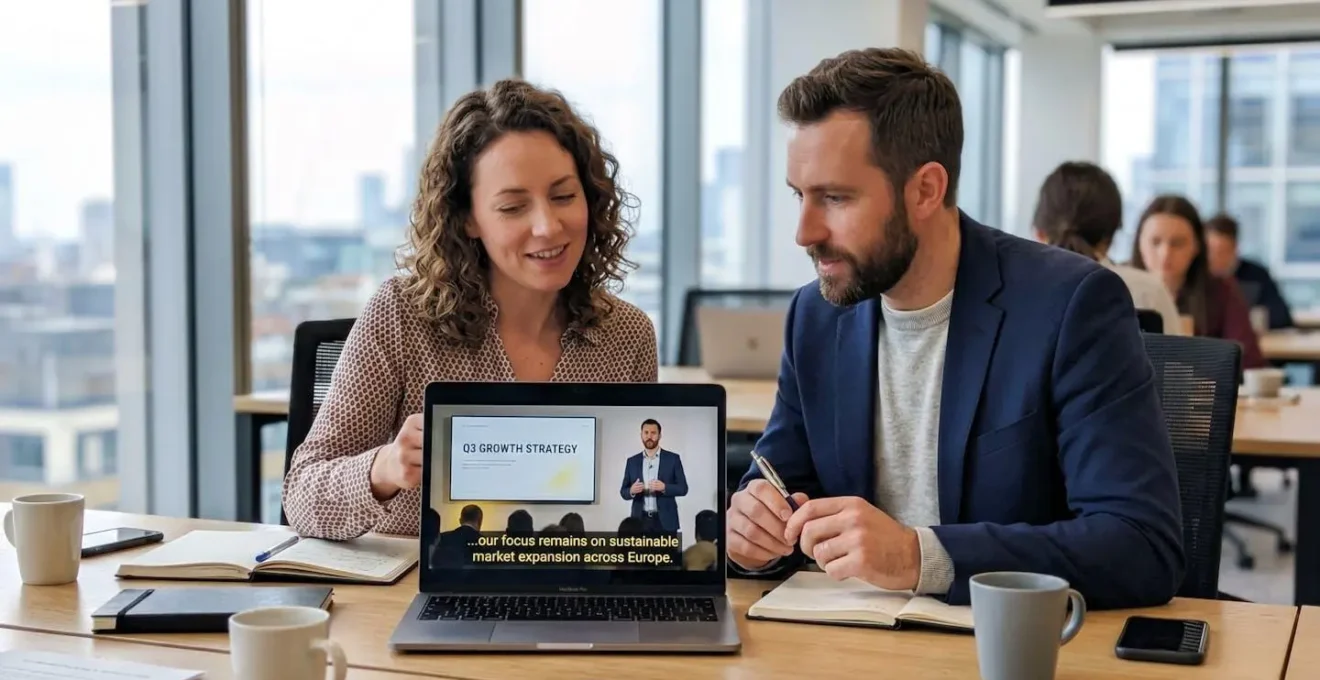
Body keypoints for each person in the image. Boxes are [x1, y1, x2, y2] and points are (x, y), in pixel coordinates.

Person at [726, 47, 1184, 610]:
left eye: (835, 198)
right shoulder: (816, 316)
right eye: (800, 196)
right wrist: (752, 534)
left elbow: (1141, 545)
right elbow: (775, 486)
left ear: (925, 190)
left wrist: (920, 556)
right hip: (849, 650)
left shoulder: (1070, 304)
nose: (803, 231)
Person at [282, 79, 659, 541]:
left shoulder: (627, 335)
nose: (548, 226)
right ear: (467, 218)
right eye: (513, 207)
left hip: (574, 590)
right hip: (416, 594)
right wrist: (381, 469)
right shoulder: (401, 315)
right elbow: (302, 496)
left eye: (564, 196)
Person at [1030, 161, 1183, 335]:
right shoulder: (1147, 292)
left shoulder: (1015, 293)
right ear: (1110, 237)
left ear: (1039, 233)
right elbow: (1177, 360)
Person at [1131, 196, 1265, 368]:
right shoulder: (1118, 286)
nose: (1165, 254)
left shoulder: (1222, 290)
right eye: (1155, 242)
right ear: (1139, 243)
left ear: (1197, 246)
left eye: (1177, 243)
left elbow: (1248, 360)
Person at [1205, 213, 1294, 330]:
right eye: (1209, 250)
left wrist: (1244, 318)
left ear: (1235, 248)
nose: (1213, 257)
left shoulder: (1257, 275)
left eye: (1221, 251)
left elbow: (1282, 317)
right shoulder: (1198, 276)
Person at [620, 419, 688, 534]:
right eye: (646, 433)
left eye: (653, 433)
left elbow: (683, 488)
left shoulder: (673, 459)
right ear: (641, 435)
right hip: (640, 521)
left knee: (668, 552)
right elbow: (623, 492)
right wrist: (631, 490)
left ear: (659, 435)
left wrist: (665, 487)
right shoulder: (632, 461)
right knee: (640, 553)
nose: (649, 436)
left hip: (666, 522)